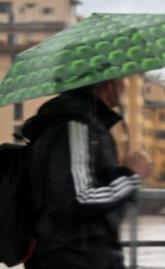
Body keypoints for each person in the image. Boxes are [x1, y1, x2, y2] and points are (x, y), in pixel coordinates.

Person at [21, 79, 152, 269]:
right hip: (76, 257)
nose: (125, 85)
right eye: (122, 79)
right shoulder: (76, 126)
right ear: (108, 85)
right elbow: (79, 197)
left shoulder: (84, 123)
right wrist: (130, 175)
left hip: (78, 255)